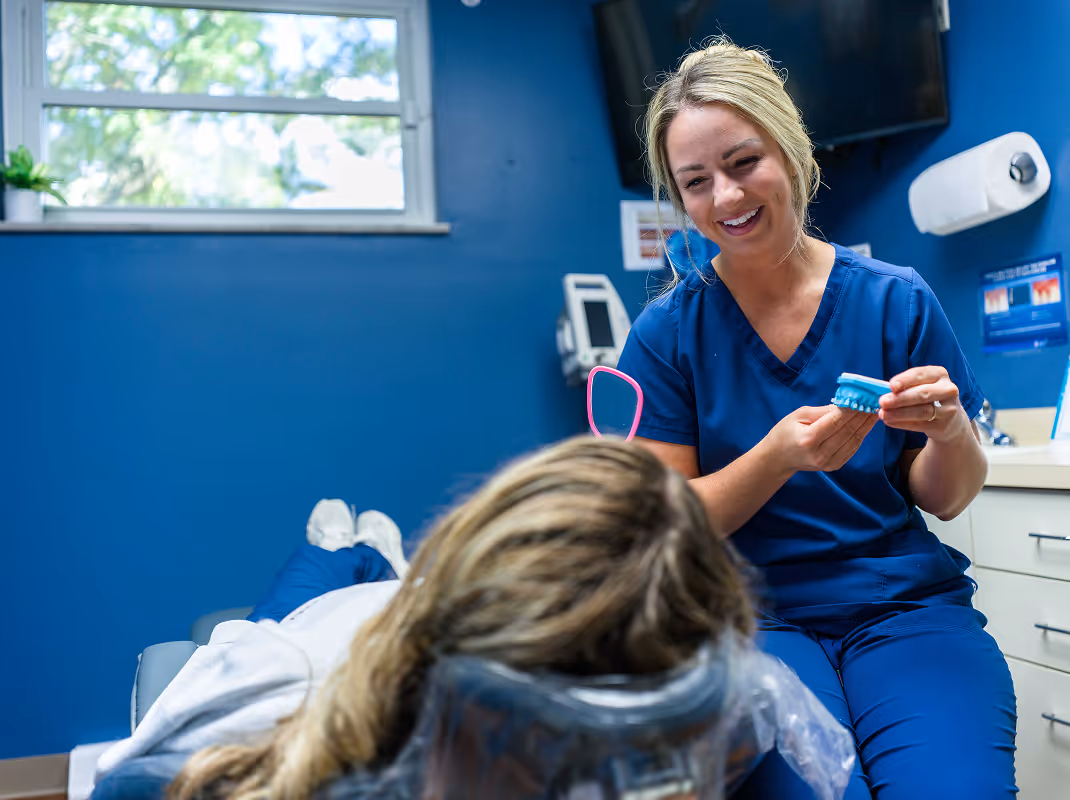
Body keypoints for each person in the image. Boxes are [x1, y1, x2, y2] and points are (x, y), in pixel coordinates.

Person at [615, 38, 1016, 799]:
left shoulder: (896, 300)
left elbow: (947, 496)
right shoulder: (668, 333)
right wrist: (776, 456)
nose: (726, 198)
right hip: (748, 621)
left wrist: (949, 429)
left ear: (791, 149)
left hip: (904, 610)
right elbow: (667, 524)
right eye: (696, 182)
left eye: (742, 162)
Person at [93, 437, 786, 800]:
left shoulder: (716, 722)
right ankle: (353, 554)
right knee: (318, 585)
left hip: (411, 605)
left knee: (348, 583)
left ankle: (371, 558)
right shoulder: (241, 732)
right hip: (341, 626)